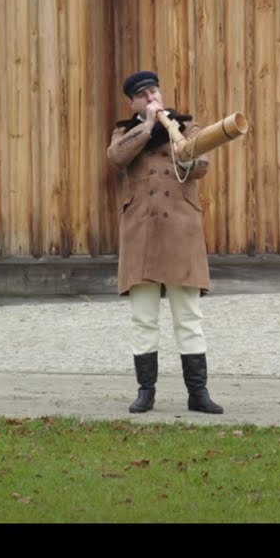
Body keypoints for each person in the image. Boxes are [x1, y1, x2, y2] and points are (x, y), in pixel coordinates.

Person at [106, 70, 223, 415]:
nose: (151, 98)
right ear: (133, 103)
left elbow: (202, 166)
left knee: (188, 317)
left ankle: (198, 393)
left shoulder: (187, 127)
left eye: (154, 91)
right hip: (140, 232)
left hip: (181, 232)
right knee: (143, 319)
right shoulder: (125, 132)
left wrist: (183, 151)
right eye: (143, 95)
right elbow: (116, 158)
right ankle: (146, 392)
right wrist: (147, 126)